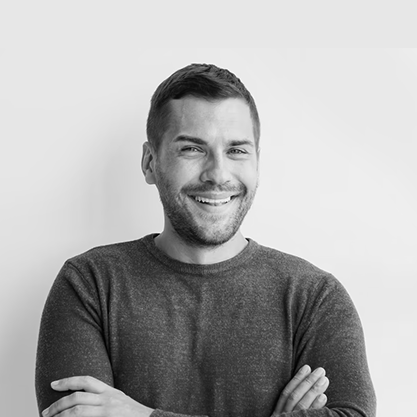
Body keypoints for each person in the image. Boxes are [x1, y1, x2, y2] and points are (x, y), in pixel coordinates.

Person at [36, 63, 376, 417]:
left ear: (257, 162)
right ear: (150, 162)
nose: (218, 174)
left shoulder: (315, 297)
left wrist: (142, 415)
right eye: (192, 149)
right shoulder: (89, 284)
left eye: (237, 151)